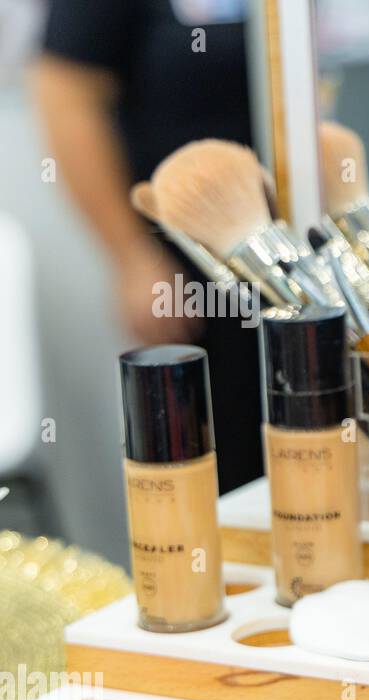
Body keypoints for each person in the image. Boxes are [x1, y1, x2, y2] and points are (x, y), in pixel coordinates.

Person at [32, 0, 263, 493]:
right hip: (188, 268)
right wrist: (133, 257)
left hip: (297, 257)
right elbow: (65, 94)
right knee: (217, 467)